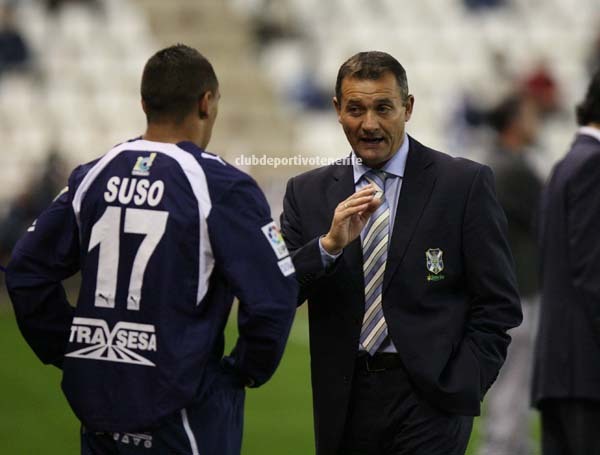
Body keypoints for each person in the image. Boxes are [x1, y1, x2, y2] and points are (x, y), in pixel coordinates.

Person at [6, 44, 297, 455]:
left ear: (144, 103)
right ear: (206, 102)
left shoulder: (93, 175)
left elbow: (25, 271)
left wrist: (72, 348)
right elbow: (273, 296)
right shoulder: (221, 186)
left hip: (100, 410)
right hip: (184, 412)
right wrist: (243, 371)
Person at [280, 51, 522, 455]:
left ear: (407, 108)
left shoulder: (462, 184)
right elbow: (277, 291)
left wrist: (465, 382)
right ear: (337, 110)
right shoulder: (306, 193)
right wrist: (327, 247)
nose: (369, 124)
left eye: (383, 108)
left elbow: (498, 303)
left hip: (431, 402)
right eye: (355, 109)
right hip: (345, 401)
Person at [531, 69, 600, 455]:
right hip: (587, 369)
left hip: (563, 367)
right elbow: (592, 270)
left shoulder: (567, 164)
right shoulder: (593, 165)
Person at [479, 94, 543, 455]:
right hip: (519, 290)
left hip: (505, 288)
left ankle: (509, 443)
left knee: (513, 379)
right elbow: (550, 218)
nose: (536, 123)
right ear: (515, 122)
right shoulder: (513, 168)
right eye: (530, 116)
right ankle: (503, 445)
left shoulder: (496, 162)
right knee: (514, 380)